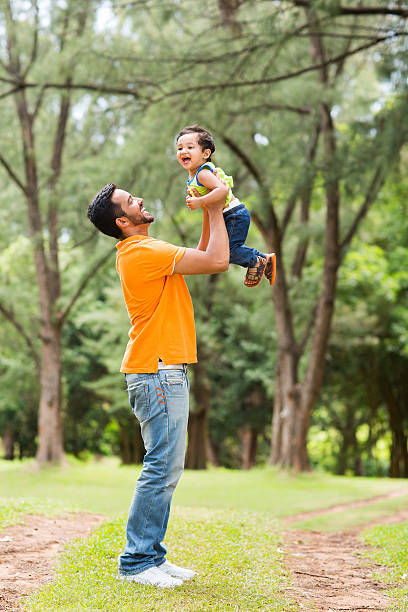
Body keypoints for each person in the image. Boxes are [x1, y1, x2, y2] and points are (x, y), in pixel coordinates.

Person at [87, 182, 229, 588]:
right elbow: (218, 261)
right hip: (157, 372)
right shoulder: (143, 253)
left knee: (167, 468)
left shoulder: (144, 250)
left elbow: (206, 254)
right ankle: (135, 563)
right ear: (122, 221)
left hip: (162, 370)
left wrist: (208, 207)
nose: (140, 201)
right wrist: (215, 203)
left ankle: (152, 556)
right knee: (160, 469)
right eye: (132, 202)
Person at [176, 125, 276, 287]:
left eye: (190, 147)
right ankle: (264, 259)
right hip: (227, 215)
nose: (183, 151)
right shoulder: (194, 177)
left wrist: (200, 201)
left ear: (205, 154)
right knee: (223, 250)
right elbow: (210, 208)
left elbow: (222, 190)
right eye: (180, 148)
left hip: (233, 214)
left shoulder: (203, 173)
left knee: (226, 252)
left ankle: (256, 260)